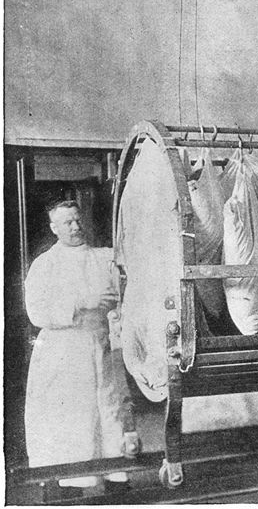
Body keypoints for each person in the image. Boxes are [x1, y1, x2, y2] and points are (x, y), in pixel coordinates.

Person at [24, 200, 140, 498]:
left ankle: (117, 486)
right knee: (73, 422)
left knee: (110, 418)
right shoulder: (44, 265)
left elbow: (123, 295)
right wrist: (82, 303)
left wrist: (116, 307)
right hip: (63, 356)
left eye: (77, 220)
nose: (76, 227)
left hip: (100, 348)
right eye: (67, 223)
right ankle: (70, 490)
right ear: (53, 228)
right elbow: (36, 312)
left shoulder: (104, 258)